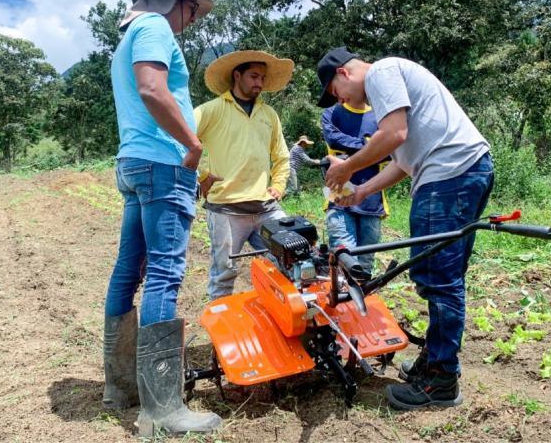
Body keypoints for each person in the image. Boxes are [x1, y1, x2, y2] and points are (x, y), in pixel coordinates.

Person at [317, 47, 493, 410]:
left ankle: (441, 382)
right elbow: (401, 161)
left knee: (437, 278)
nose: (343, 101)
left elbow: (394, 134)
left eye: (336, 93)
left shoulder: (382, 72)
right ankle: (435, 363)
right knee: (443, 274)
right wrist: (362, 190)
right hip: (460, 169)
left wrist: (347, 167)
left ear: (343, 74)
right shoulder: (391, 83)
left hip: (448, 174)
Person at [103, 0, 221, 436]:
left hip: (133, 162)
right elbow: (154, 89)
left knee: (127, 271)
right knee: (165, 275)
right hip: (162, 164)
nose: (192, 21)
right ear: (177, 2)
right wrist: (192, 145)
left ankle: (122, 388)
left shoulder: (129, 34)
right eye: (193, 11)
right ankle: (161, 409)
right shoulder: (154, 27)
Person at [195, 50, 292, 300]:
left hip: (266, 207)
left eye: (262, 78)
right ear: (237, 76)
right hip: (226, 209)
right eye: (253, 76)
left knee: (288, 263)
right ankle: (221, 335)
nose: (259, 83)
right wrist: (200, 176)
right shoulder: (211, 110)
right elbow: (179, 140)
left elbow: (282, 155)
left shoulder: (269, 114)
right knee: (224, 273)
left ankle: (279, 327)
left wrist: (279, 185)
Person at [321, 102, 388, 276]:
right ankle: (343, 301)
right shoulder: (332, 113)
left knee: (365, 267)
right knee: (346, 263)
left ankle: (361, 301)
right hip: (339, 200)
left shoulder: (380, 116)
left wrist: (374, 147)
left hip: (373, 202)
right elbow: (334, 139)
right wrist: (370, 144)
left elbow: (391, 150)